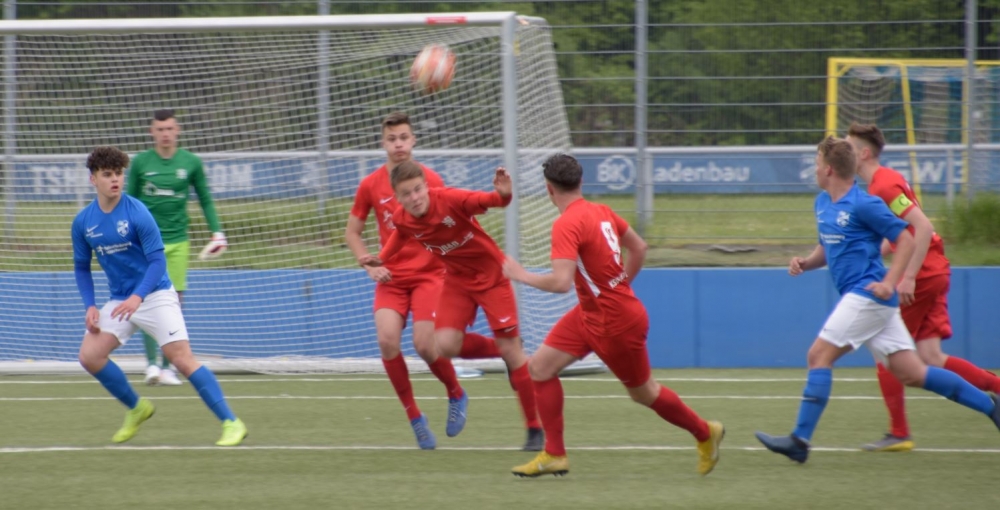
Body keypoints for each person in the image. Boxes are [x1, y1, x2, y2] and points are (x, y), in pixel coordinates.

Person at [754, 137, 1000, 463]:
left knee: (818, 356)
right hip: (867, 300)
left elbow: (906, 239)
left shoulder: (864, 203)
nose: (814, 169)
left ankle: (800, 440)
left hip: (867, 295)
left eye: (816, 164)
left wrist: (889, 282)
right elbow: (827, 247)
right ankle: (992, 407)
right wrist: (805, 263)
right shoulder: (822, 202)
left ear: (828, 169)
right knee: (912, 373)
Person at [502, 154, 725, 477]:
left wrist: (521, 275)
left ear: (549, 189)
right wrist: (618, 287)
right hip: (592, 313)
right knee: (539, 368)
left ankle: (705, 433)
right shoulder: (601, 211)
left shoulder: (566, 223)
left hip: (614, 323)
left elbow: (561, 283)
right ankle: (554, 454)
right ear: (581, 182)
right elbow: (639, 248)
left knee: (644, 393)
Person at [345, 112, 507, 449]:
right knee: (387, 341)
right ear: (382, 143)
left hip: (431, 275)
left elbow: (452, 220)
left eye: (404, 137)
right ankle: (415, 418)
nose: (398, 144)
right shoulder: (370, 185)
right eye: (392, 139)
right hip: (391, 277)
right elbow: (353, 233)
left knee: (425, 345)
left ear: (414, 140)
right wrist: (370, 267)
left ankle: (456, 392)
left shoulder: (430, 179)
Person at [72, 146, 247, 446]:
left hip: (154, 294)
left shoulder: (137, 212)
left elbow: (157, 262)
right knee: (89, 356)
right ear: (93, 179)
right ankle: (137, 408)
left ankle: (232, 422)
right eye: (107, 174)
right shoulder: (83, 222)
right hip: (121, 300)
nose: (115, 180)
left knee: (182, 360)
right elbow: (81, 267)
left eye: (119, 174)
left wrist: (138, 297)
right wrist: (89, 305)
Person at [365, 161, 544, 451]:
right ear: (397, 198)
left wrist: (504, 194)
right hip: (457, 281)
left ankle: (534, 429)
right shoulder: (402, 217)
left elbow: (494, 201)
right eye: (406, 194)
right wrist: (382, 258)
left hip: (492, 276)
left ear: (427, 186)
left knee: (512, 351)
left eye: (418, 189)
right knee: (445, 346)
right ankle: (505, 351)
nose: (414, 198)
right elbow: (401, 232)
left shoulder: (450, 199)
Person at [847, 122, 1000, 452]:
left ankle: (899, 432)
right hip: (935, 270)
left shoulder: (884, 185)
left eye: (849, 147)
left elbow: (923, 227)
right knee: (931, 356)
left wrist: (910, 276)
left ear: (864, 153)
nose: (845, 153)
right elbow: (902, 234)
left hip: (925, 275)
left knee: (886, 351)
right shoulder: (883, 181)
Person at [127, 109, 228, 387]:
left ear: (178, 130)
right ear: (152, 132)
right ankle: (151, 365)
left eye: (170, 128)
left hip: (179, 242)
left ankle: (168, 367)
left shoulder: (191, 162)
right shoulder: (141, 162)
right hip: (146, 243)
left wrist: (217, 232)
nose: (165, 134)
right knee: (146, 300)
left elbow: (205, 198)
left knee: (174, 303)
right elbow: (129, 201)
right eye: (160, 129)